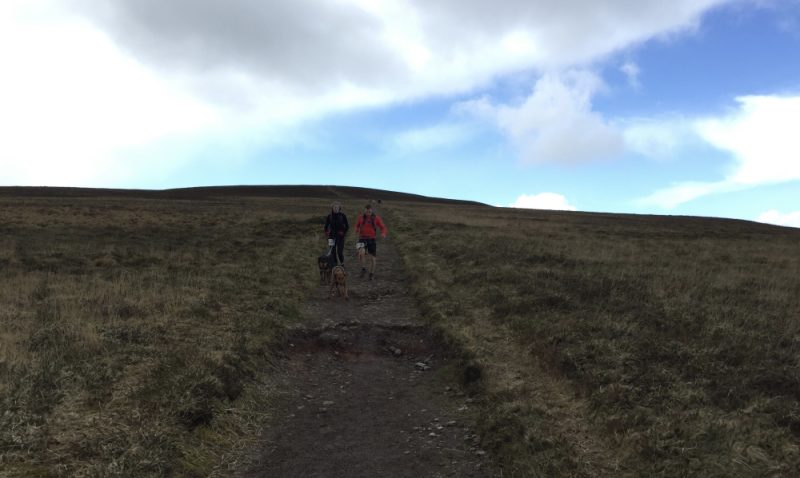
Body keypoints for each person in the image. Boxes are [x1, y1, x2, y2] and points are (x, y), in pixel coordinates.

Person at [355, 203, 388, 280]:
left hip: (372, 239)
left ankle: (371, 273)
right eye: (367, 211)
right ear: (364, 211)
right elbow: (357, 225)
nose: (368, 213)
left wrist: (383, 233)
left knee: (372, 258)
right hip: (362, 238)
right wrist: (356, 230)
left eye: (369, 211)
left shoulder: (376, 218)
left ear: (371, 211)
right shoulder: (360, 217)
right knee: (360, 253)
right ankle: (363, 269)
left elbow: (383, 227)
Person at [324, 202, 349, 266]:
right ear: (332, 208)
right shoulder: (329, 216)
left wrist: (343, 232)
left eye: (337, 207)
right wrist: (327, 233)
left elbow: (347, 226)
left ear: (339, 208)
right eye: (334, 207)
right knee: (333, 252)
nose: (336, 208)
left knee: (339, 252)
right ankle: (335, 264)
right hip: (331, 236)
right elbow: (326, 226)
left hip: (340, 236)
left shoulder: (343, 216)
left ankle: (342, 263)